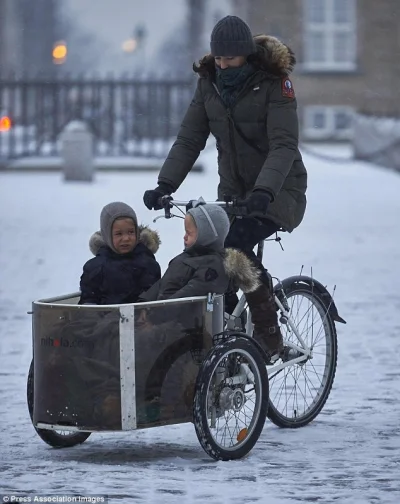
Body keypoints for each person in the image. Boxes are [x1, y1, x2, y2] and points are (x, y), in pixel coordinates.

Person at [142, 15, 307, 361]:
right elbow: (190, 138)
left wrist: (265, 191)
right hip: (234, 191)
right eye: (218, 58)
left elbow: (283, 145)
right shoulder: (209, 84)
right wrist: (165, 184)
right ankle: (229, 327)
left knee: (236, 246)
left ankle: (269, 333)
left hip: (279, 190)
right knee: (210, 251)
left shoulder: (275, 83)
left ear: (246, 54)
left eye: (230, 58)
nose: (222, 64)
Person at [140, 201, 231, 302]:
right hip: (162, 313)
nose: (184, 237)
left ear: (207, 236)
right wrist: (142, 306)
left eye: (189, 233)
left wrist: (157, 312)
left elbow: (186, 298)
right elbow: (162, 284)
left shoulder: (212, 266)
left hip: (181, 316)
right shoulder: (185, 258)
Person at [79, 201, 161, 305]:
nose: (126, 238)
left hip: (139, 318)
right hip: (103, 318)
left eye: (131, 232)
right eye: (119, 234)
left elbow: (153, 297)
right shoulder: (94, 267)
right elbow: (88, 300)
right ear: (107, 236)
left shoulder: (148, 264)